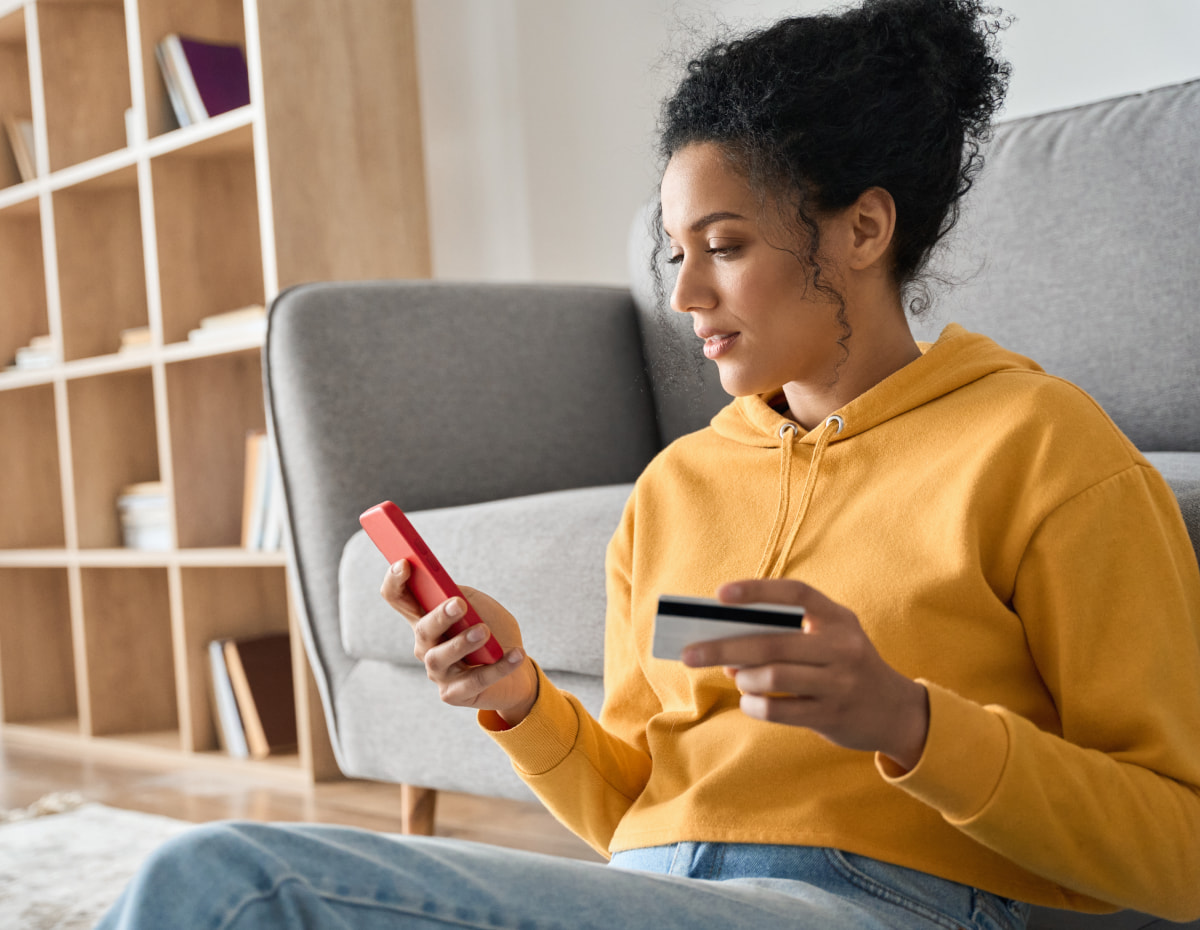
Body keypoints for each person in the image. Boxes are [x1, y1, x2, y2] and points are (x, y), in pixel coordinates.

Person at [97, 1, 1200, 927]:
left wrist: (913, 725)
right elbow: (633, 809)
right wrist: (517, 696)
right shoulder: (678, 488)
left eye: (724, 247)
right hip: (658, 890)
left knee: (232, 888)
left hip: (886, 902)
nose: (683, 297)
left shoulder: (1042, 448)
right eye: (676, 254)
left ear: (864, 230)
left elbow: (1179, 848)